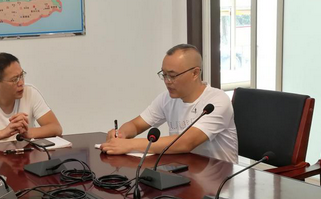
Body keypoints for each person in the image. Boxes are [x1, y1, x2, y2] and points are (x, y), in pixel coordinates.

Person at [101, 44, 238, 163]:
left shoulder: (217, 101)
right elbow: (136, 125)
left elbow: (186, 142)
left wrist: (129, 145)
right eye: (164, 75)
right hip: (184, 172)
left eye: (172, 76)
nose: (167, 81)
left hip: (220, 179)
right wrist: (121, 135)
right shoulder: (166, 98)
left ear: (195, 73)